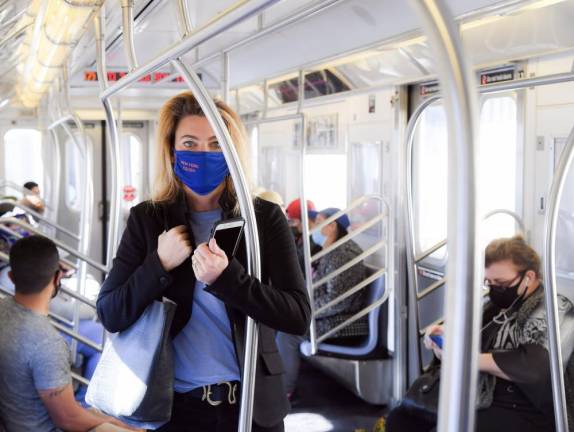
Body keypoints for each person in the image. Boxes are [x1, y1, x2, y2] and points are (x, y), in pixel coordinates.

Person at [96, 91, 311, 432]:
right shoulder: (148, 219)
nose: (205, 154)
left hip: (252, 405)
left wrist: (228, 280)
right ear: (172, 150)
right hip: (178, 407)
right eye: (191, 143)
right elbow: (110, 312)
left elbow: (297, 316)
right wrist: (158, 265)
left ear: (232, 150)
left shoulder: (263, 219)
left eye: (216, 144)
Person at [386, 235, 574, 432]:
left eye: (500, 283)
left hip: (526, 408)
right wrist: (443, 337)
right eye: (489, 283)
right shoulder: (494, 307)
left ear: (529, 277)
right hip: (482, 395)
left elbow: (533, 368)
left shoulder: (555, 308)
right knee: (400, 420)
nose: (494, 290)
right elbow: (467, 338)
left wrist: (466, 359)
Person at [0, 236, 135, 432]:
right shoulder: (47, 343)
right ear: (57, 278)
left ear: (11, 277)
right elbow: (68, 420)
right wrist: (113, 423)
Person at [277, 207, 368, 398]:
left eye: (319, 222)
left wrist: (302, 310)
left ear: (331, 226)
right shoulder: (330, 250)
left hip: (343, 320)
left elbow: (337, 301)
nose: (314, 227)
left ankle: (284, 392)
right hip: (328, 314)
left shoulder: (344, 254)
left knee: (289, 332)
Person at [285, 198, 321, 274]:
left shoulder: (316, 241)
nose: (291, 225)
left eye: (293, 221)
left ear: (306, 220)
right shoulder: (302, 236)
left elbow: (297, 265)